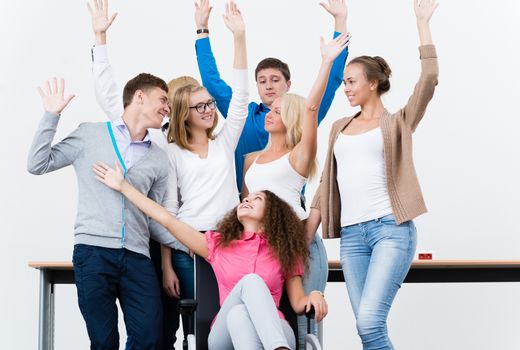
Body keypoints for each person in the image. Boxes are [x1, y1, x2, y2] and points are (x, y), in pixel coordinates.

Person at [308, 0, 439, 348]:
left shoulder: (397, 123)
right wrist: (307, 232)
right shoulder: (339, 127)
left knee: (369, 321)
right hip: (352, 238)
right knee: (369, 331)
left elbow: (429, 79)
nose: (347, 87)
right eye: (345, 82)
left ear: (374, 83)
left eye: (352, 81)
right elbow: (325, 184)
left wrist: (422, 23)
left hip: (390, 232)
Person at [92, 156, 328, 349]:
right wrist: (123, 187)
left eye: (257, 199)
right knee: (249, 288)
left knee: (239, 316)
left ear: (272, 214)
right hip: (222, 336)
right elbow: (166, 220)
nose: (246, 200)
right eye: (245, 198)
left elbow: (298, 303)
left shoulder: (284, 252)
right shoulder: (218, 244)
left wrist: (315, 294)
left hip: (274, 329)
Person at [27, 73, 175, 349]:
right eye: (163, 99)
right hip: (93, 252)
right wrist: (51, 116)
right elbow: (37, 164)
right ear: (139, 97)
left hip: (137, 257)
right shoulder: (90, 134)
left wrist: (190, 242)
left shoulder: (158, 158)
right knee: (104, 342)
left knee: (150, 337)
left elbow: (155, 217)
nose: (167, 108)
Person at [87, 0, 201, 346]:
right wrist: (100, 40)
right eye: (168, 101)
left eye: (179, 101)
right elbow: (109, 95)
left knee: (168, 325)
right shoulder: (150, 135)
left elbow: (171, 208)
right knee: (156, 326)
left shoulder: (194, 146)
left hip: (175, 237)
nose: (172, 107)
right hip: (143, 240)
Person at [242, 30, 349, 348]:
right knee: (269, 328)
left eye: (277, 111)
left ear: (290, 118)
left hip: (301, 246)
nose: (270, 113)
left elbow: (312, 109)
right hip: (264, 250)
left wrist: (327, 61)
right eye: (270, 110)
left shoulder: (298, 156)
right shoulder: (251, 161)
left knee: (305, 330)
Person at [194, 0, 349, 192]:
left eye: (275, 79)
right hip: (245, 209)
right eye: (262, 80)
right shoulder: (242, 114)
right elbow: (212, 83)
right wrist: (202, 29)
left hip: (288, 211)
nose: (268, 86)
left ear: (288, 84)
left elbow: (332, 78)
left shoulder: (302, 114)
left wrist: (340, 21)